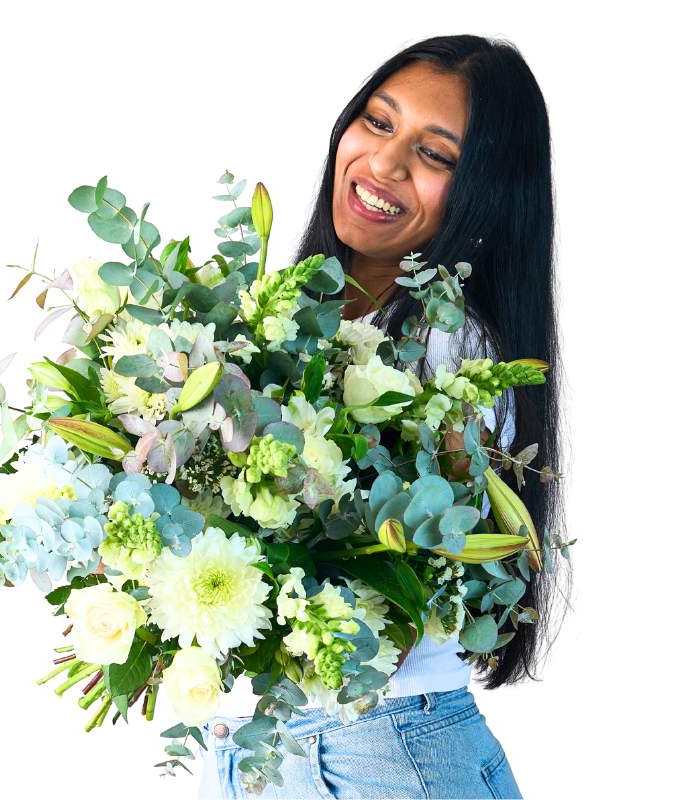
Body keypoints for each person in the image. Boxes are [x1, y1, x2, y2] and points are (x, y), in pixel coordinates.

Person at [196, 33, 570, 799]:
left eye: (435, 156)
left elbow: (397, 607)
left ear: (487, 193)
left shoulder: (451, 352)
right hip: (277, 750)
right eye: (375, 122)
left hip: (378, 754)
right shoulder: (291, 314)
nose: (384, 165)